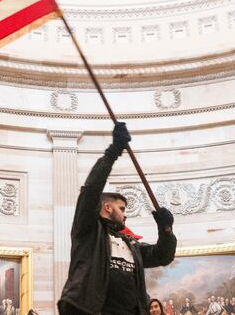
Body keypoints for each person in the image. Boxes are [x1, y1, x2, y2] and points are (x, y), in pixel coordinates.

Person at [57, 122, 177, 315]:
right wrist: (113, 152)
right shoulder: (88, 230)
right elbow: (90, 191)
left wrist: (166, 231)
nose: (125, 214)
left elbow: (162, 256)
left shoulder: (130, 243)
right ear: (107, 207)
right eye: (121, 208)